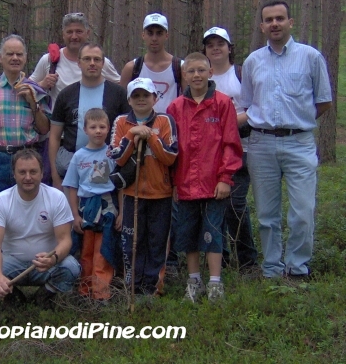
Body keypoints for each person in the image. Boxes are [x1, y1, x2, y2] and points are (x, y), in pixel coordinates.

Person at [240, 0, 332, 279]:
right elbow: (247, 105)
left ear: (291, 22)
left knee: (302, 211)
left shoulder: (310, 57)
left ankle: (297, 268)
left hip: (299, 143)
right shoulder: (252, 61)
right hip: (261, 144)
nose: (275, 24)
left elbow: (324, 102)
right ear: (262, 26)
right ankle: (271, 268)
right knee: (267, 215)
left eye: (280, 18)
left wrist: (297, 121)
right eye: (269, 20)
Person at [0, 34, 51, 266]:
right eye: (10, 54)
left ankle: (23, 267)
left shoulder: (35, 88)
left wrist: (33, 103)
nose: (15, 58)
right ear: (1, 58)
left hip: (27, 159)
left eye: (19, 54)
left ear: (25, 58)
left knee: (28, 216)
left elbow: (45, 128)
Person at [167, 53, 242, 302]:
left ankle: (215, 282)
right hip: (186, 183)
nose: (196, 75)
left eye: (201, 70)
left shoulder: (222, 103)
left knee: (212, 233)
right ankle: (194, 280)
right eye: (191, 71)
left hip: (213, 184)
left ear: (210, 72)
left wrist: (225, 177)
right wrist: (174, 182)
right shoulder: (176, 107)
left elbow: (230, 143)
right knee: (188, 233)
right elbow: (172, 150)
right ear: (184, 75)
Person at [0, 149, 80, 307]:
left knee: (71, 267)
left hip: (47, 264)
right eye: (22, 172)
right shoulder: (1, 200)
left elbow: (65, 240)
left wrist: (53, 259)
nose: (28, 177)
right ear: (14, 174)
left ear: (42, 173)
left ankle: (44, 297)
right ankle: (13, 299)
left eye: (33, 171)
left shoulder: (56, 198)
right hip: (11, 264)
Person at [109, 78, 178, 296]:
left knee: (157, 241)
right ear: (129, 99)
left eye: (146, 95)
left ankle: (153, 286)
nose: (141, 100)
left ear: (155, 98)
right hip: (132, 192)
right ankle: (134, 285)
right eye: (136, 96)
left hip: (161, 193)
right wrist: (133, 134)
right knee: (132, 241)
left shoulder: (166, 120)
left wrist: (151, 138)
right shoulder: (121, 121)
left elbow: (171, 157)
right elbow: (117, 157)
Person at [202, 27, 258, 271]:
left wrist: (230, 122)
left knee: (236, 205)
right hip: (209, 153)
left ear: (229, 47)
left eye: (220, 43)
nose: (216, 48)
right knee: (213, 205)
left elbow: (257, 107)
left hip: (240, 148)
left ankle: (247, 260)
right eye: (210, 44)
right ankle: (220, 256)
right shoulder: (202, 76)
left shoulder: (241, 74)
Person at [49, 43, 130, 190]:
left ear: (103, 63)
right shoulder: (66, 95)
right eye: (87, 59)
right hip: (71, 165)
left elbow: (127, 133)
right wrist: (55, 175)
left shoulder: (118, 94)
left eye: (96, 59)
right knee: (72, 212)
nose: (92, 63)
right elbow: (54, 136)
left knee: (101, 209)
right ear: (79, 63)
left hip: (106, 166)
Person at [62, 108, 121, 301]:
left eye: (102, 127)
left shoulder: (113, 154)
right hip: (86, 208)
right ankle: (85, 290)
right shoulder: (79, 156)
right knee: (86, 251)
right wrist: (75, 216)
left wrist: (121, 214)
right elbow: (71, 186)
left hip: (107, 207)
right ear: (85, 129)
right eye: (93, 127)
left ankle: (101, 293)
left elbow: (120, 186)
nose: (98, 131)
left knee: (102, 251)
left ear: (109, 129)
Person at [30, 12, 120, 106]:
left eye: (79, 31)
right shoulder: (49, 60)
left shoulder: (99, 62)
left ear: (87, 33)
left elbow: (120, 88)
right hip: (58, 120)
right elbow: (27, 87)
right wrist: (41, 84)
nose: (74, 37)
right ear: (63, 34)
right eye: (69, 32)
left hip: (93, 119)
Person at [120, 13, 183, 113]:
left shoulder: (180, 67)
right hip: (139, 127)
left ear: (166, 35)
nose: (154, 38)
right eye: (150, 33)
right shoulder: (132, 68)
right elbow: (121, 104)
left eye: (159, 33)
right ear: (143, 35)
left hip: (171, 126)